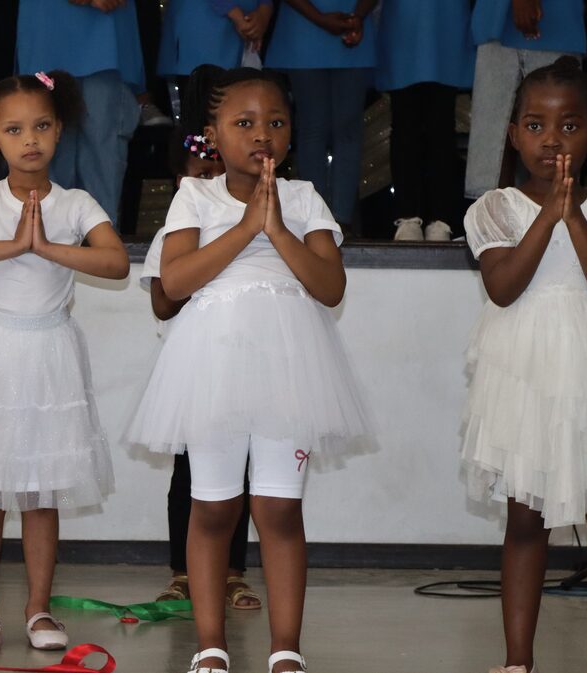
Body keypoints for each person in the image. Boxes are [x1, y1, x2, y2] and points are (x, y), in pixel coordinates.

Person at [127, 65, 373, 673]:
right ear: (212, 133)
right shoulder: (195, 196)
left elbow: (330, 288)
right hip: (214, 367)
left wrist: (277, 228)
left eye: (276, 121)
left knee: (280, 511)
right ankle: (210, 646)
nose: (262, 133)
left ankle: (286, 650)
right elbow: (174, 282)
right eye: (244, 122)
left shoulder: (304, 197)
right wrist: (244, 228)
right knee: (214, 508)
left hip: (290, 371)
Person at [461, 58, 587, 673]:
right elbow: (503, 288)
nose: (552, 140)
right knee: (525, 522)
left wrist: (572, 215)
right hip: (525, 382)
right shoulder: (494, 209)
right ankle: (517, 661)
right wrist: (548, 214)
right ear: (513, 135)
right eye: (536, 125)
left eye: (569, 126)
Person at [0, 70, 127, 652]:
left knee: (42, 493)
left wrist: (47, 247)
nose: (29, 139)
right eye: (14, 129)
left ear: (59, 130)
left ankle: (39, 607)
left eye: (41, 126)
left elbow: (115, 262)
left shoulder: (76, 203)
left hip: (50, 355)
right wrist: (16, 244)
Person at [146, 125, 260, 610]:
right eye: (201, 174)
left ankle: (232, 572)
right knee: (190, 476)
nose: (212, 181)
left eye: (217, 172)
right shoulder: (174, 234)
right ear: (181, 182)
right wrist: (206, 262)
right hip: (196, 372)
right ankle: (184, 573)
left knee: (243, 476)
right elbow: (163, 302)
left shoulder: (254, 225)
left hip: (246, 367)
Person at [16, 0, 144, 229]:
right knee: (45, 149)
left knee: (103, 151)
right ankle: (46, 241)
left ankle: (100, 243)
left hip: (107, 34)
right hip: (48, 31)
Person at [264, 0, 378, 235]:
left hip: (352, 28)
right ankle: (315, 219)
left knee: (346, 130)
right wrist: (320, 18)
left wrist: (357, 16)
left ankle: (341, 220)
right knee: (313, 127)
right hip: (304, 28)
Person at [465, 0, 586, 201]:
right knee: (490, 164)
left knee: (558, 160)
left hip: (555, 19)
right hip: (495, 21)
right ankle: (495, 219)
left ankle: (558, 215)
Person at [376, 0, 474, 242]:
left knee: (442, 129)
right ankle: (407, 217)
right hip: (403, 24)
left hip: (447, 24)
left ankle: (441, 220)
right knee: (404, 127)